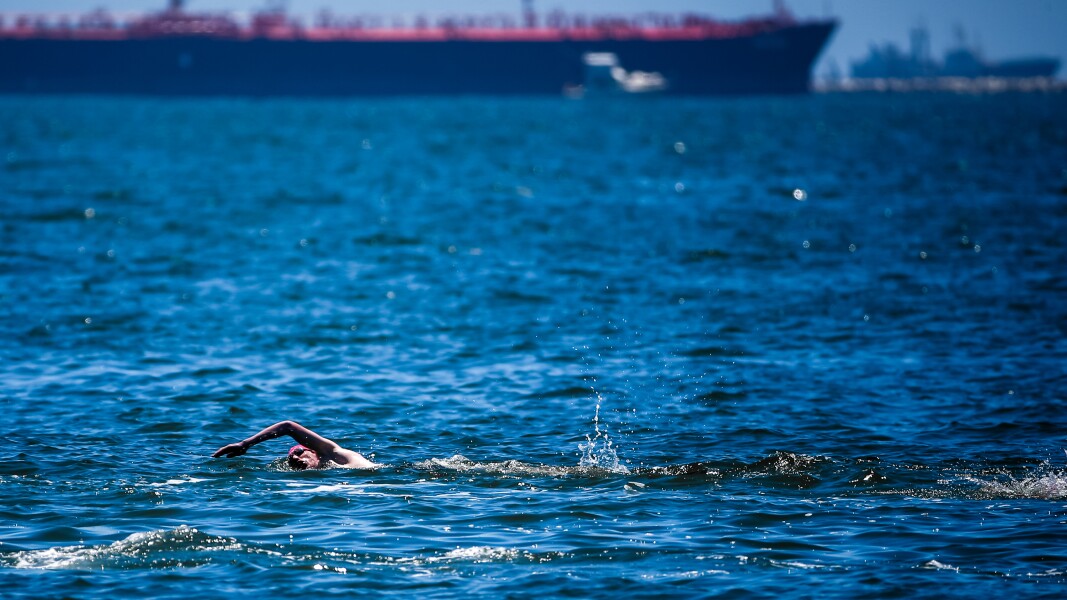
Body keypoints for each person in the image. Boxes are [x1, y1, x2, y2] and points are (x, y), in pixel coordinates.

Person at [212, 420, 377, 470]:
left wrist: (245, 444)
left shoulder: (335, 454)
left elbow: (287, 427)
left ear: (315, 451)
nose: (295, 458)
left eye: (299, 452)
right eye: (291, 459)